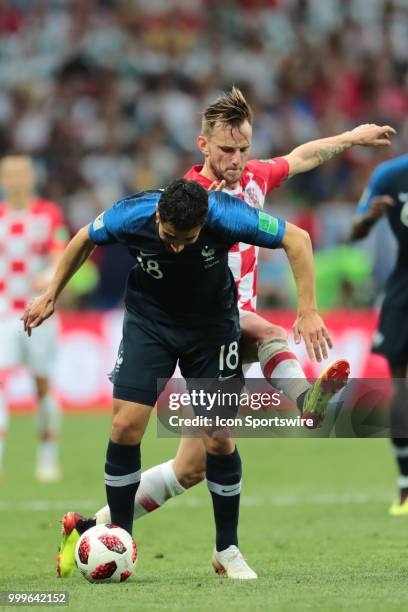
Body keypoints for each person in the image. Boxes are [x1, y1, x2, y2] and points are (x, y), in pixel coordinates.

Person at [56, 88, 395, 577]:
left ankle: (91, 526)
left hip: (225, 325)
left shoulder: (255, 178)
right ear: (203, 147)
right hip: (210, 323)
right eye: (226, 151)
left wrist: (351, 136)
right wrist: (307, 309)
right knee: (265, 331)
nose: (236, 160)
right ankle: (308, 405)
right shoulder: (192, 201)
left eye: (243, 150)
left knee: (190, 468)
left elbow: (301, 156)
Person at [23, 179, 346, 579]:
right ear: (158, 217)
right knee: (125, 425)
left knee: (219, 439)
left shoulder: (226, 214)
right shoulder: (133, 213)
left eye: (188, 239)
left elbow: (296, 238)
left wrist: (308, 308)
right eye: (170, 238)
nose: (176, 246)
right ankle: (119, 536)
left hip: (211, 331)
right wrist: (53, 292)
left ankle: (227, 549)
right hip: (149, 324)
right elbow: (84, 238)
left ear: (203, 223)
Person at [0, 155, 69, 481]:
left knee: (41, 384)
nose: (15, 180)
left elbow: (60, 252)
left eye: (21, 174)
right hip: (3, 312)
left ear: (31, 177)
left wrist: (50, 276)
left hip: (38, 311)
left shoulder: (48, 214)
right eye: (9, 174)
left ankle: (47, 453)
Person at [350, 153, 408, 516]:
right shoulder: (390, 175)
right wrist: (369, 218)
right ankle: (405, 485)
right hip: (405, 287)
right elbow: (355, 231)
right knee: (399, 385)